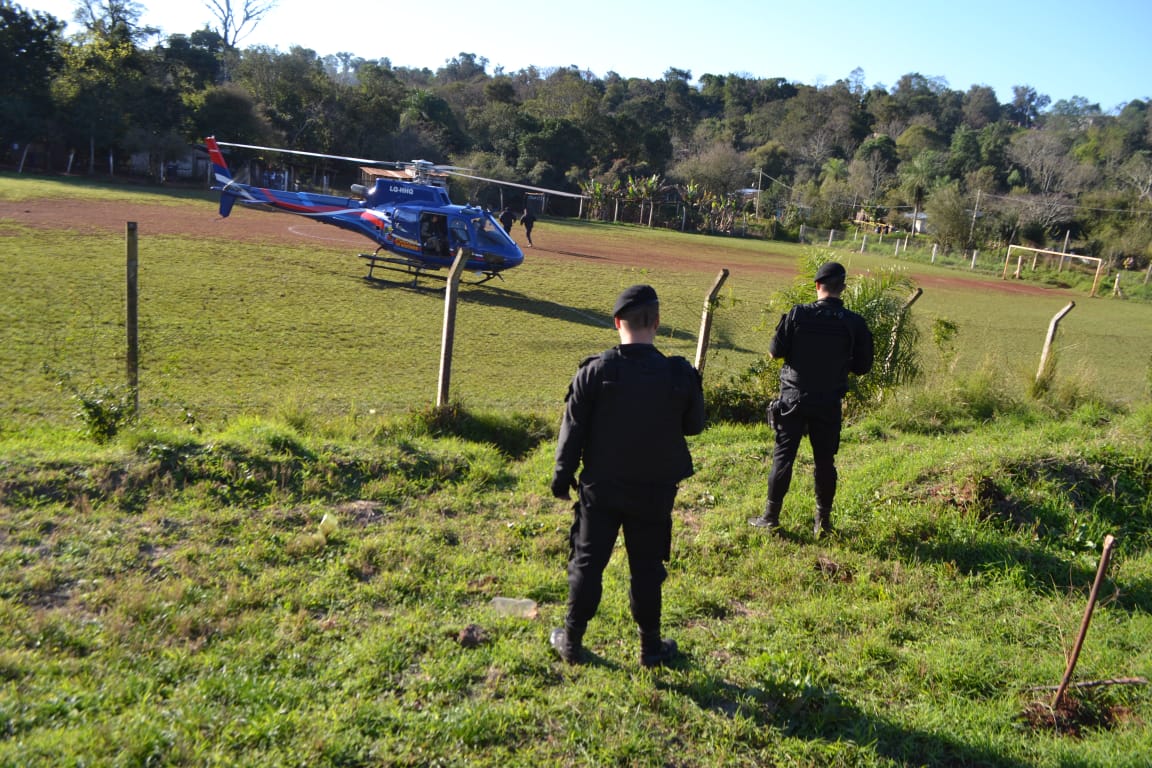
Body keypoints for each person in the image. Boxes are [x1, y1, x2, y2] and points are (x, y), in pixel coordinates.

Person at [550, 285, 705, 668]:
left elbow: (572, 431)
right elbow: (695, 426)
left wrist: (561, 475)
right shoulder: (679, 374)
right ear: (657, 322)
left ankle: (571, 642)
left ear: (617, 323)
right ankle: (650, 647)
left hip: (601, 487)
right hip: (654, 490)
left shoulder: (595, 371)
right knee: (647, 567)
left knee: (587, 561)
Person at [749, 261, 874, 538]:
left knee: (783, 459)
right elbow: (863, 367)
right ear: (843, 288)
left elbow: (774, 353)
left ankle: (770, 517)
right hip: (828, 402)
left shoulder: (797, 315)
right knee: (825, 462)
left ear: (817, 286)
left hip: (792, 399)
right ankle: (823, 523)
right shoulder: (854, 323)